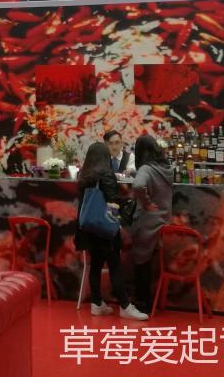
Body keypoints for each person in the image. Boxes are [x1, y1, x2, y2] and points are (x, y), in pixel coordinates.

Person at [74, 142, 149, 320]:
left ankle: (96, 303)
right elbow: (112, 200)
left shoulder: (84, 176)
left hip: (89, 227)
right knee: (115, 265)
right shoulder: (106, 174)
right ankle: (125, 306)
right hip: (105, 227)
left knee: (96, 264)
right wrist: (127, 204)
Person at [128, 134, 173, 314]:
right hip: (164, 220)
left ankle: (142, 302)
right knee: (149, 262)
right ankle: (151, 301)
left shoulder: (146, 168)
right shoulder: (166, 167)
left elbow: (138, 186)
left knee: (141, 262)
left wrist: (146, 203)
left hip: (148, 222)